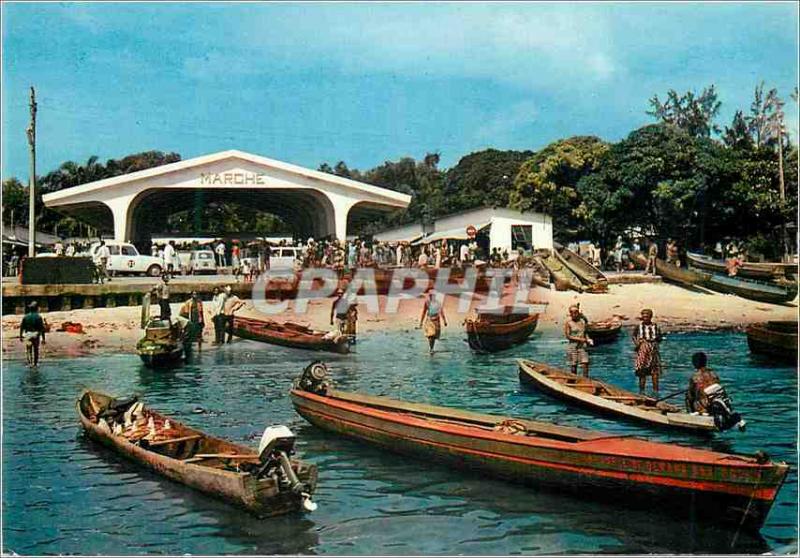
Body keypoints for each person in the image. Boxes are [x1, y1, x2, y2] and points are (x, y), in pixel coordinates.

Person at [632, 308, 662, 393]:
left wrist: (656, 343)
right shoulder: (639, 326)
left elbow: (659, 336)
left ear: (651, 317)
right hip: (643, 347)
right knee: (642, 370)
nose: (645, 318)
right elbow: (633, 336)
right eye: (644, 316)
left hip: (653, 348)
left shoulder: (655, 326)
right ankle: (642, 391)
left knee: (655, 371)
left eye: (647, 316)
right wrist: (637, 343)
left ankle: (655, 392)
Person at [564, 304, 592, 377]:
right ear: (570, 313)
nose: (574, 314)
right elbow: (568, 336)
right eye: (572, 312)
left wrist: (588, 339)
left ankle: (586, 380)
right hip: (573, 346)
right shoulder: (568, 323)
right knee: (574, 364)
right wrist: (580, 339)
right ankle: (573, 380)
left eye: (576, 312)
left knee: (585, 363)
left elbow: (585, 333)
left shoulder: (582, 322)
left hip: (583, 346)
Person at [419, 289, 447, 353]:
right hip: (429, 320)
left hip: (436, 320)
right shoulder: (427, 302)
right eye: (431, 295)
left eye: (433, 295)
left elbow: (441, 312)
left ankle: (432, 348)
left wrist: (444, 320)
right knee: (430, 335)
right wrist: (421, 322)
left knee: (434, 336)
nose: (432, 296)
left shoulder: (438, 303)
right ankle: (431, 349)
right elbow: (424, 312)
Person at [19, 301, 46, 367]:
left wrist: (21, 336)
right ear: (37, 308)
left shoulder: (25, 317)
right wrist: (43, 338)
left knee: (28, 349)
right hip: (35, 334)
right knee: (36, 349)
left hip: (28, 334)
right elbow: (42, 328)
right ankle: (35, 363)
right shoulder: (38, 317)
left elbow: (22, 327)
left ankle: (30, 363)